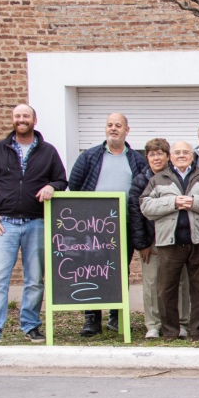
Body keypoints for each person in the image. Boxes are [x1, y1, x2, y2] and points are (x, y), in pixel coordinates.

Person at [0, 104, 66, 344]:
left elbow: (61, 180)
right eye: (17, 116)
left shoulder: (48, 151)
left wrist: (52, 186)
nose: (21, 119)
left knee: (34, 280)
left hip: (36, 223)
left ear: (34, 120)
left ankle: (31, 325)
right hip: (4, 224)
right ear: (13, 120)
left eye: (26, 116)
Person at [68, 112, 149, 337]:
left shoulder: (137, 159)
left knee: (119, 270)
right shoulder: (89, 156)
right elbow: (74, 185)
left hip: (124, 225)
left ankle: (116, 315)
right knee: (91, 270)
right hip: (93, 227)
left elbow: (144, 190)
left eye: (118, 125)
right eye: (110, 125)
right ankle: (92, 319)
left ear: (126, 130)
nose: (113, 128)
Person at [139, 141, 199, 341]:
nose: (182, 155)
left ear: (193, 156)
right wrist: (173, 202)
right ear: (171, 156)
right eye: (177, 152)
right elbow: (146, 207)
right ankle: (170, 331)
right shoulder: (158, 179)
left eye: (186, 152)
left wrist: (195, 202)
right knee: (166, 289)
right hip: (169, 243)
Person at [129, 138, 190, 339]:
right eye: (152, 154)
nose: (156, 158)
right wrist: (142, 244)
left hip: (175, 238)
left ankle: (181, 322)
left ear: (168, 156)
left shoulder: (177, 178)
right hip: (152, 240)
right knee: (152, 282)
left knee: (180, 281)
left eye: (160, 153)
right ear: (147, 157)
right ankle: (153, 324)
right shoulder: (140, 180)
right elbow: (136, 213)